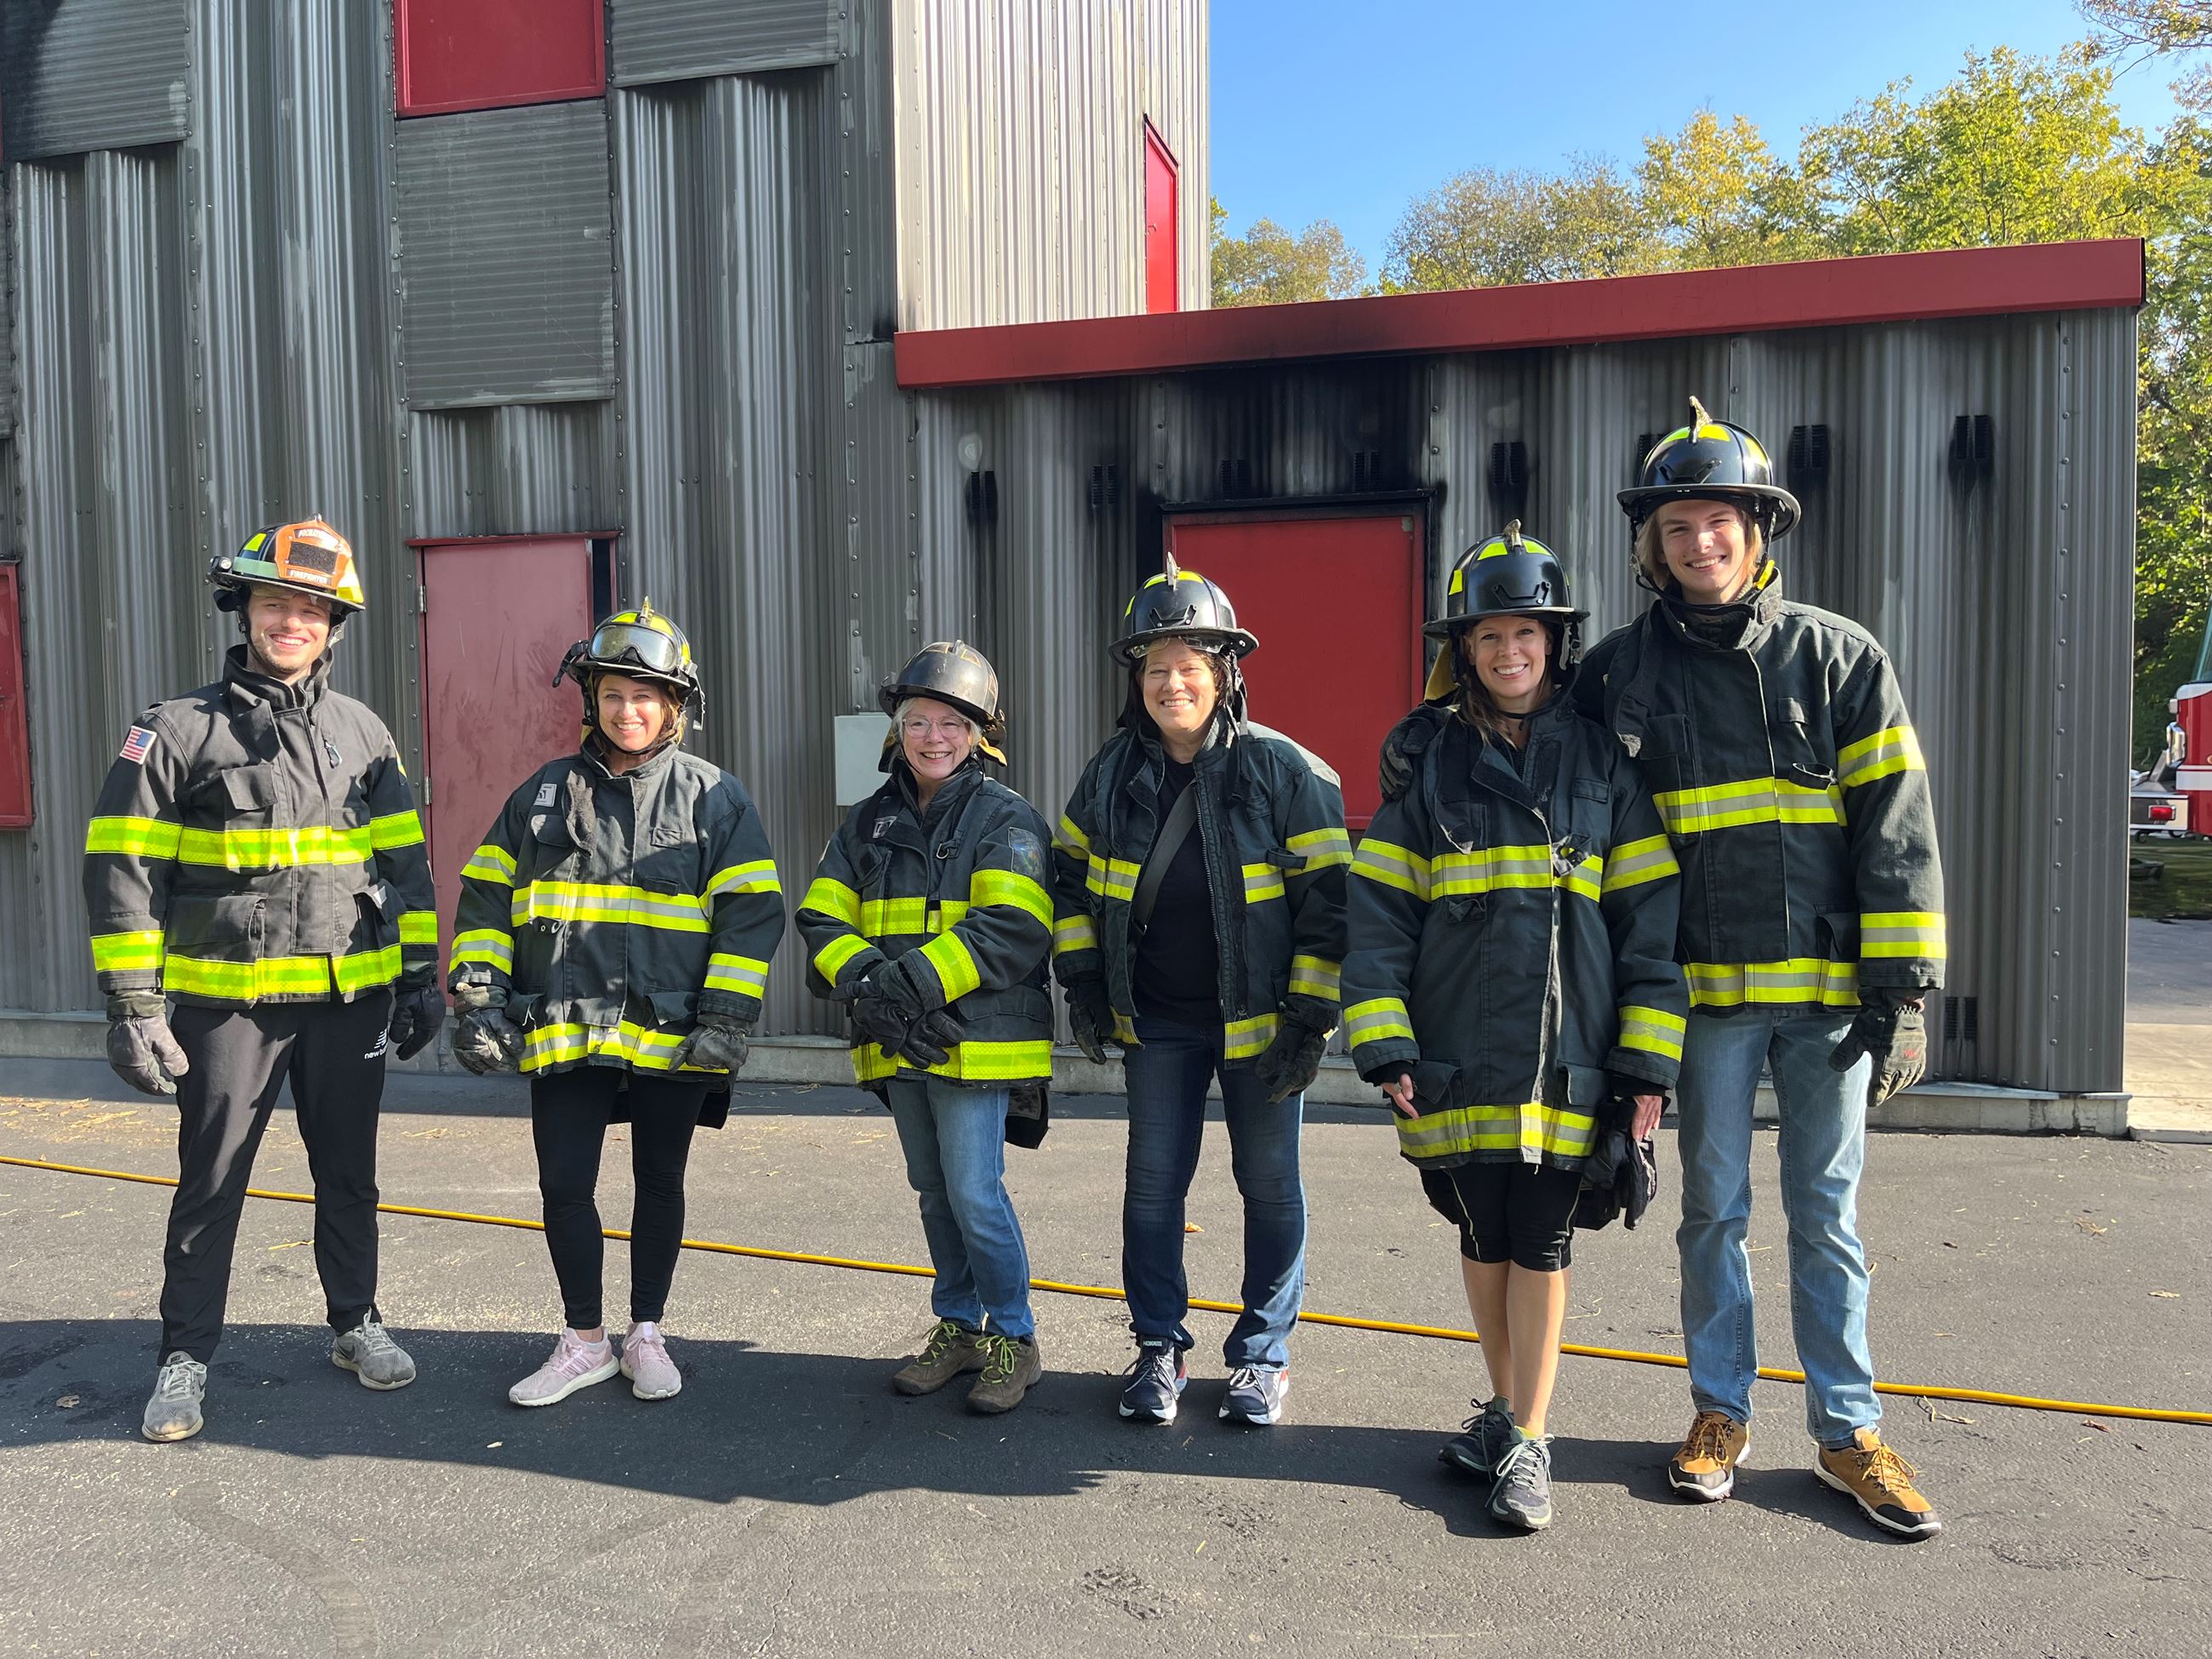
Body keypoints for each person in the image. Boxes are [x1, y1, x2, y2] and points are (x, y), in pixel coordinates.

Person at [1343, 524, 1685, 1530]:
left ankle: (1527, 1439)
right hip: (1454, 1056)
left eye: (1525, 634)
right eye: (1487, 637)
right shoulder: (1428, 769)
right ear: (1463, 649)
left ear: (1553, 643)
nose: (1507, 654)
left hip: (1566, 1063)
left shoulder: (1604, 769)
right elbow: (1377, 920)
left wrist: (1642, 1067)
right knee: (1484, 1232)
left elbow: (1648, 931)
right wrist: (1383, 1041)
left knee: (1538, 1242)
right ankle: (1503, 1413)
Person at [83, 519, 444, 1443]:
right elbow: (122, 869)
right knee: (211, 1180)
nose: (293, 621)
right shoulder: (174, 730)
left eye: (313, 609)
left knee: (348, 1175)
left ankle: (354, 1322)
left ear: (334, 624)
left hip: (346, 999)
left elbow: (402, 863)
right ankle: (185, 1356)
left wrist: (417, 976)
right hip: (227, 1004)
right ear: (242, 609)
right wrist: (133, 1003)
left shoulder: (362, 730)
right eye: (277, 603)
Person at [448, 602, 784, 1407]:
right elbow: (486, 901)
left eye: (645, 695)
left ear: (675, 706)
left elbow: (752, 913)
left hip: (671, 1031)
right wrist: (480, 1000)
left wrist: (728, 1017)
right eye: (611, 695)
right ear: (590, 701)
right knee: (565, 1183)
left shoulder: (715, 799)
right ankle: (584, 1340)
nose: (627, 711)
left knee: (659, 1180)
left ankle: (648, 1335)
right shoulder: (540, 796)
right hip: (564, 1026)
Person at [1053, 566, 1349, 1428]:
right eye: (1154, 667)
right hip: (1158, 1023)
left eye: (1190, 665)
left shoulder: (1285, 772)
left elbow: (1329, 910)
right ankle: (1157, 1349)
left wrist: (1309, 1017)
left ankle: (1261, 1357)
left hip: (1264, 1028)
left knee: (1269, 1186)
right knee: (1151, 1190)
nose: (1171, 682)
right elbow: (1067, 886)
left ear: (1224, 674)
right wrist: (1080, 982)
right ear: (1135, 681)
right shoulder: (1108, 776)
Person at [795, 641, 1055, 1415]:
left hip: (975, 1041)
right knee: (933, 1191)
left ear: (980, 735)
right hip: (896, 1033)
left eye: (951, 723)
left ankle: (1015, 1337)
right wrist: (873, 992)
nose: (932, 737)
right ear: (896, 729)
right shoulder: (865, 824)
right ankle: (959, 1326)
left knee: (976, 1192)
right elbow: (820, 915)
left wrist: (899, 987)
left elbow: (1010, 927)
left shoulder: (1007, 819)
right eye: (917, 721)